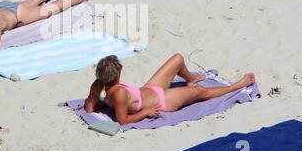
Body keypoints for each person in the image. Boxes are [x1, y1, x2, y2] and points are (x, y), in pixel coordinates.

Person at [84, 54, 255, 125]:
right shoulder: (119, 93)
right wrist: (145, 112)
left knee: (178, 58)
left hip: (149, 89)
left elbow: (89, 108)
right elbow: (123, 121)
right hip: (163, 100)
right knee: (200, 92)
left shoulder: (98, 84)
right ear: (116, 75)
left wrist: (100, 101)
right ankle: (237, 86)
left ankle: (191, 78)